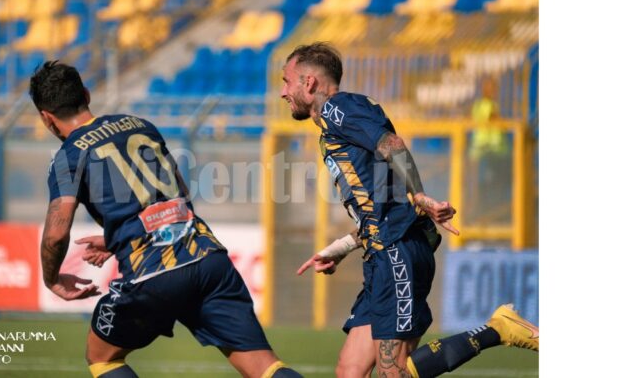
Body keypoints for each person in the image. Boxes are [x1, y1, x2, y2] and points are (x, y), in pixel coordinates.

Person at [30, 61, 301, 378]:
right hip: (208, 257)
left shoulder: (69, 155)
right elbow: (178, 194)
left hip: (154, 272)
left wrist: (52, 279)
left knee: (102, 357)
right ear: (86, 95)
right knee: (264, 367)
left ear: (47, 119)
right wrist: (118, 235)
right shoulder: (138, 125)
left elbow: (56, 235)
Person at [283, 43, 538, 378]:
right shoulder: (336, 126)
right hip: (381, 253)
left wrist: (418, 193)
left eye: (287, 81)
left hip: (397, 251)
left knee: (396, 373)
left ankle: (498, 329)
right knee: (349, 370)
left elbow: (393, 145)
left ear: (310, 83)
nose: (282, 93)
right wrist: (342, 248)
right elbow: (379, 204)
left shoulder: (337, 109)